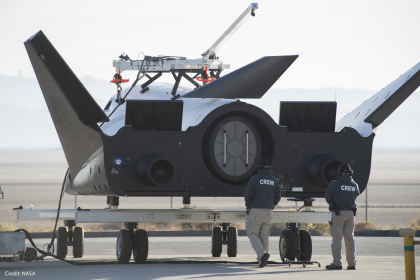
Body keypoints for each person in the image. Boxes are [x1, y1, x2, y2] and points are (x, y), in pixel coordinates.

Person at [244, 158, 281, 268]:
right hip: (269, 212)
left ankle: (262, 255)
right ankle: (261, 260)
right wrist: (271, 205)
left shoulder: (254, 179)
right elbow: (278, 196)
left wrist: (248, 205)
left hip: (256, 211)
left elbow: (248, 195)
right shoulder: (274, 180)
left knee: (252, 233)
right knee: (264, 236)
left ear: (258, 168)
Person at [325, 163, 360, 270]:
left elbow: (327, 197)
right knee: (350, 239)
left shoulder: (334, 184)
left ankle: (337, 263)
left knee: (337, 239)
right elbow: (357, 194)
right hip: (350, 214)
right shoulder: (354, 185)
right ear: (350, 173)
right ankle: (351, 263)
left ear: (339, 173)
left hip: (338, 213)